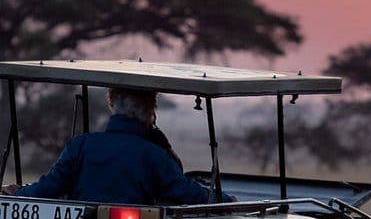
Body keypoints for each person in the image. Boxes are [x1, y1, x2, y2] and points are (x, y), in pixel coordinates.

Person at [14, 87, 227, 206]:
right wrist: (224, 200)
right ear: (150, 111)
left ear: (112, 105)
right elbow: (184, 192)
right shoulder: (154, 155)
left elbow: (48, 188)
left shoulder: (80, 145)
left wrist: (17, 195)